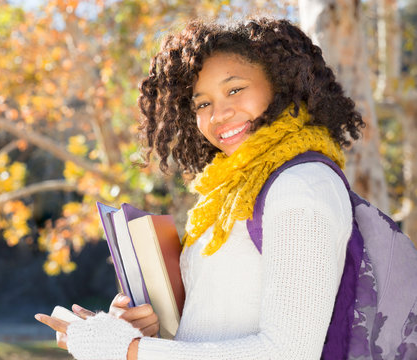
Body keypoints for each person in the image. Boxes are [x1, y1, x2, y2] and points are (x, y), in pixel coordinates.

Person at [35, 17, 365, 359]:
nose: (218, 114)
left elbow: (287, 351)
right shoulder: (228, 191)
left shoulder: (301, 186)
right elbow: (212, 328)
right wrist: (149, 331)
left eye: (234, 89)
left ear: (282, 86)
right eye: (202, 103)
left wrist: (129, 351)